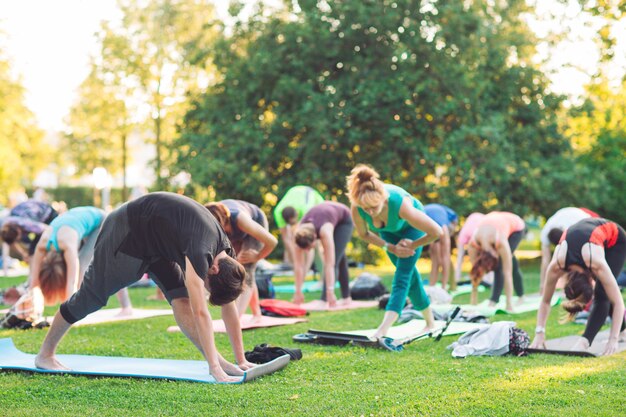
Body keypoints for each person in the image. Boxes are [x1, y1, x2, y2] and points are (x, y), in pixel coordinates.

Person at [35, 192, 256, 382]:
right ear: (214, 270)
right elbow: (201, 313)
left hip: (158, 243)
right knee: (91, 297)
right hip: (126, 231)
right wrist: (213, 370)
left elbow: (228, 305)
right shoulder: (202, 252)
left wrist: (241, 359)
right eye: (209, 286)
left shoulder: (226, 256)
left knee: (182, 299)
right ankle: (45, 355)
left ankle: (220, 360)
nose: (205, 288)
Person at [347, 165, 443, 339]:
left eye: (373, 207)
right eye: (365, 208)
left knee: (402, 276)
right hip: (389, 235)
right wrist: (389, 247)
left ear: (383, 199)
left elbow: (436, 232)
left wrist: (412, 245)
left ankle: (383, 328)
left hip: (412, 231)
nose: (369, 212)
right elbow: (364, 234)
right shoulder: (357, 207)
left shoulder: (400, 204)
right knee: (411, 279)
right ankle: (430, 323)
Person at [530, 218, 626, 356]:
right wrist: (539, 333)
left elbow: (618, 303)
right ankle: (623, 331)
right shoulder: (556, 265)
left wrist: (613, 339)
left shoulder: (595, 262)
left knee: (602, 293)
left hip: (616, 241)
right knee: (604, 291)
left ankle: (585, 341)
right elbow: (545, 301)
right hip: (586, 235)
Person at [27, 206, 132, 314]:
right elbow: (34, 282)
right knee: (89, 266)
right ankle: (125, 307)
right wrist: (31, 308)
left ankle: (126, 307)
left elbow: (72, 282)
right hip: (85, 221)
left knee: (86, 267)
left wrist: (67, 314)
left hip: (102, 222)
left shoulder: (68, 246)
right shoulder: (41, 247)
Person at [206, 200, 277, 323]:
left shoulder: (240, 219)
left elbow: (272, 241)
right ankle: (257, 314)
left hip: (255, 220)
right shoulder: (215, 227)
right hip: (235, 231)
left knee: (247, 269)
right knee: (238, 267)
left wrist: (257, 256)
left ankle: (236, 319)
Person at [293, 201, 354, 306]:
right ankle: (346, 297)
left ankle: (325, 299)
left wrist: (330, 291)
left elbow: (330, 264)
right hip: (327, 214)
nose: (307, 251)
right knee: (340, 256)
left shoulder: (324, 230)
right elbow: (299, 266)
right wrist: (298, 291)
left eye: (309, 248)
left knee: (335, 257)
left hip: (344, 220)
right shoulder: (298, 235)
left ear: (314, 238)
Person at [468, 211, 526, 309]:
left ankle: (495, 300)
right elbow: (475, 273)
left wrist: (509, 304)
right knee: (506, 262)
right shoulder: (473, 244)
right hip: (493, 223)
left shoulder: (500, 242)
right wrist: (473, 301)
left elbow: (507, 273)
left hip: (516, 227)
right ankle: (499, 299)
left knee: (502, 266)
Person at [539, 207, 596, 294]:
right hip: (569, 215)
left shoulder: (573, 231)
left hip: (587, 221)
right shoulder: (544, 234)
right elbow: (545, 260)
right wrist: (542, 285)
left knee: (582, 260)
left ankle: (590, 284)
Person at [273, 185, 325, 267]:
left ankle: (316, 268)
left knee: (316, 242)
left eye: (295, 222)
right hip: (295, 194)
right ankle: (290, 263)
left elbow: (309, 236)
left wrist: (303, 266)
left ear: (297, 214)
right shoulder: (278, 213)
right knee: (291, 236)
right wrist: (295, 261)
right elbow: (286, 238)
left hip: (315, 200)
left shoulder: (306, 209)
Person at [424, 204, 458, 291]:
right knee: (444, 255)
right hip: (435, 221)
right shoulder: (448, 216)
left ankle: (436, 286)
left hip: (428, 220)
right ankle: (442, 287)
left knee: (438, 257)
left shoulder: (441, 215)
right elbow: (445, 256)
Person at [454, 212, 485, 285]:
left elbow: (460, 257)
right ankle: (484, 278)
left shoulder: (463, 234)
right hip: (479, 231)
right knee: (484, 257)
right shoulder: (464, 235)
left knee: (460, 257)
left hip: (479, 229)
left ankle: (457, 278)